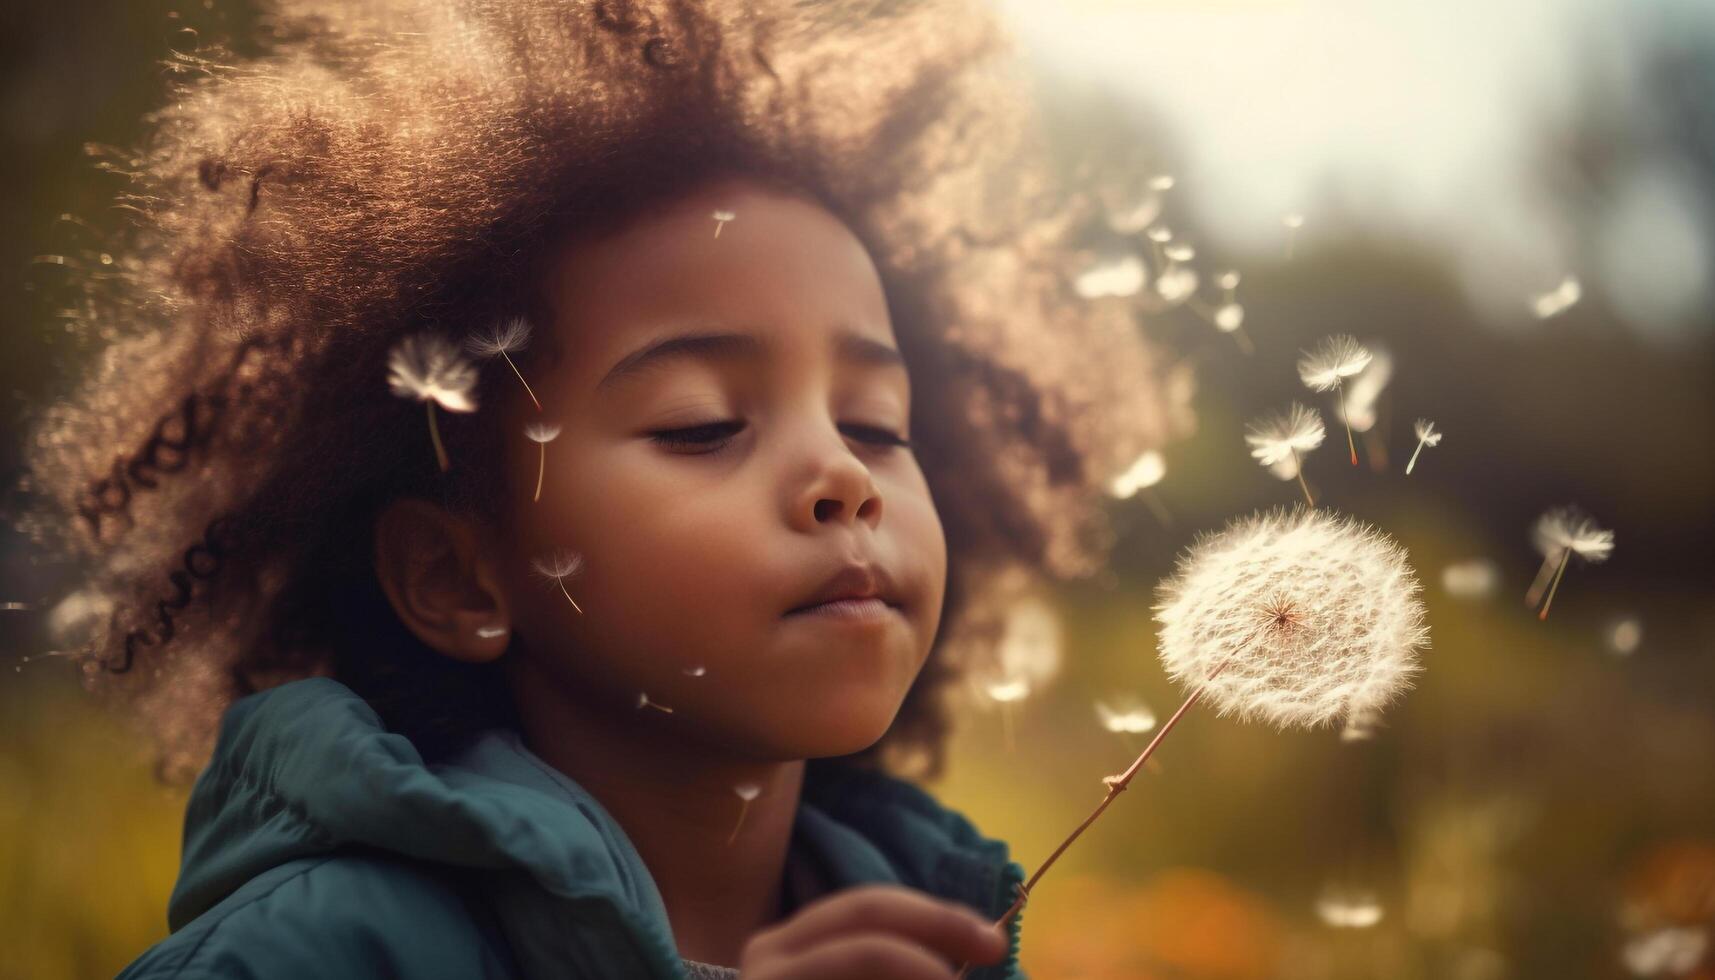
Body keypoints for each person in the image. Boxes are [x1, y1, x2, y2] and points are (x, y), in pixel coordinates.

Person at [14, 0, 1181, 976]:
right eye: (703, 424)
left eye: (877, 423)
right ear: (457, 574)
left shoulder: (949, 922)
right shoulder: (309, 954)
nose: (840, 473)